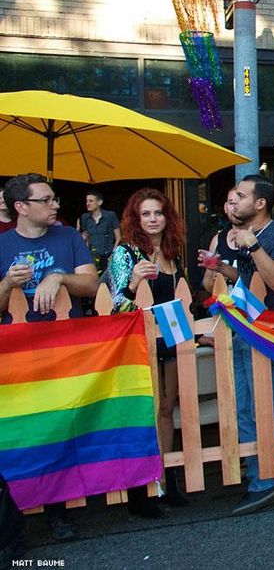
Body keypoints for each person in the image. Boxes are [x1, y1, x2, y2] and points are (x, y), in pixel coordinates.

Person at [0, 173, 99, 541]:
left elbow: (91, 284)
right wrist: (8, 284)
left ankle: (59, 512)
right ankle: (15, 520)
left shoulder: (68, 237)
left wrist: (58, 278)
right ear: (21, 207)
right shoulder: (2, 245)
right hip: (18, 355)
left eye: (54, 198)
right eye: (46, 199)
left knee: (60, 428)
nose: (55, 204)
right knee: (23, 430)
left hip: (63, 350)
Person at [105, 187, 189, 516]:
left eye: (158, 213)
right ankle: (142, 491)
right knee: (144, 413)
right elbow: (114, 308)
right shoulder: (125, 253)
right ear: (135, 219)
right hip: (137, 343)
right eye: (146, 214)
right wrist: (131, 283)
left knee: (167, 409)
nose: (153, 219)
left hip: (170, 339)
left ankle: (166, 481)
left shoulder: (172, 252)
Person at [220, 174, 274, 516]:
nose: (235, 201)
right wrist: (221, 268)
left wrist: (253, 245)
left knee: (262, 407)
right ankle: (258, 478)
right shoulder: (245, 235)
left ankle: (271, 479)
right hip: (241, 328)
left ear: (260, 203)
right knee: (244, 408)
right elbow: (250, 281)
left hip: (266, 333)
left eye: (242, 195)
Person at [77, 189, 121, 275]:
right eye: (86, 201)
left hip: (108, 253)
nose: (87, 203)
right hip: (93, 255)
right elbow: (86, 237)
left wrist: (114, 254)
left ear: (100, 202)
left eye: (91, 201)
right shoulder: (85, 217)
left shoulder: (110, 215)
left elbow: (118, 237)